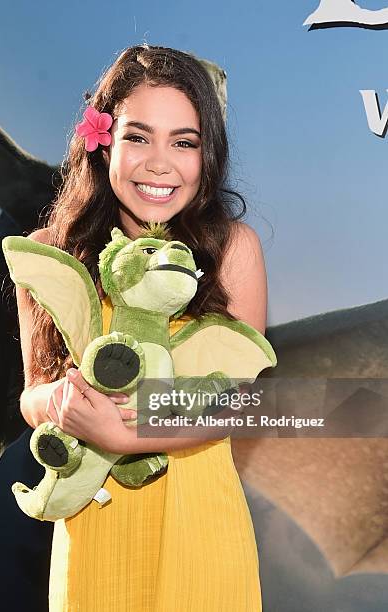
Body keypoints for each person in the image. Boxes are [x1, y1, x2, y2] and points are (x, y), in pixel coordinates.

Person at [15, 44, 271, 612]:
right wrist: (59, 401)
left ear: (208, 157)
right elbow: (31, 392)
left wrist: (131, 435)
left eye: (184, 142)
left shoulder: (233, 250)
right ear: (102, 140)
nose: (160, 163)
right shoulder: (48, 256)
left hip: (201, 525)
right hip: (96, 524)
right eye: (138, 136)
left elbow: (242, 403)